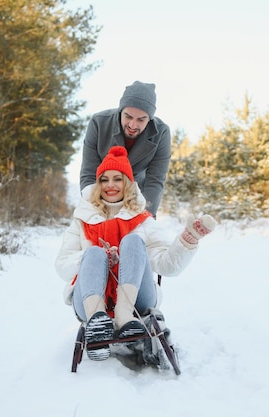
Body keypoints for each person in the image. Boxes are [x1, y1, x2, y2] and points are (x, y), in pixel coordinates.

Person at [56, 146, 216, 361]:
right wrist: (99, 259)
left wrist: (188, 240)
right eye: (104, 179)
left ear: (128, 183)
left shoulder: (144, 220)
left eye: (117, 179)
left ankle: (124, 315)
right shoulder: (82, 220)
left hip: (137, 304)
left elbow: (168, 267)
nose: (110, 185)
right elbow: (63, 265)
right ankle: (97, 324)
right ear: (97, 184)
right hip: (88, 301)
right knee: (94, 252)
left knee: (132, 241)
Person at [79, 81, 171, 217]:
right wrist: (94, 213)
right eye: (128, 116)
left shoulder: (161, 133)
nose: (133, 125)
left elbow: (155, 180)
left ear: (150, 119)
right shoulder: (98, 123)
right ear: (120, 111)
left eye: (141, 119)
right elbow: (89, 173)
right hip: (103, 193)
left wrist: (146, 216)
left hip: (136, 195)